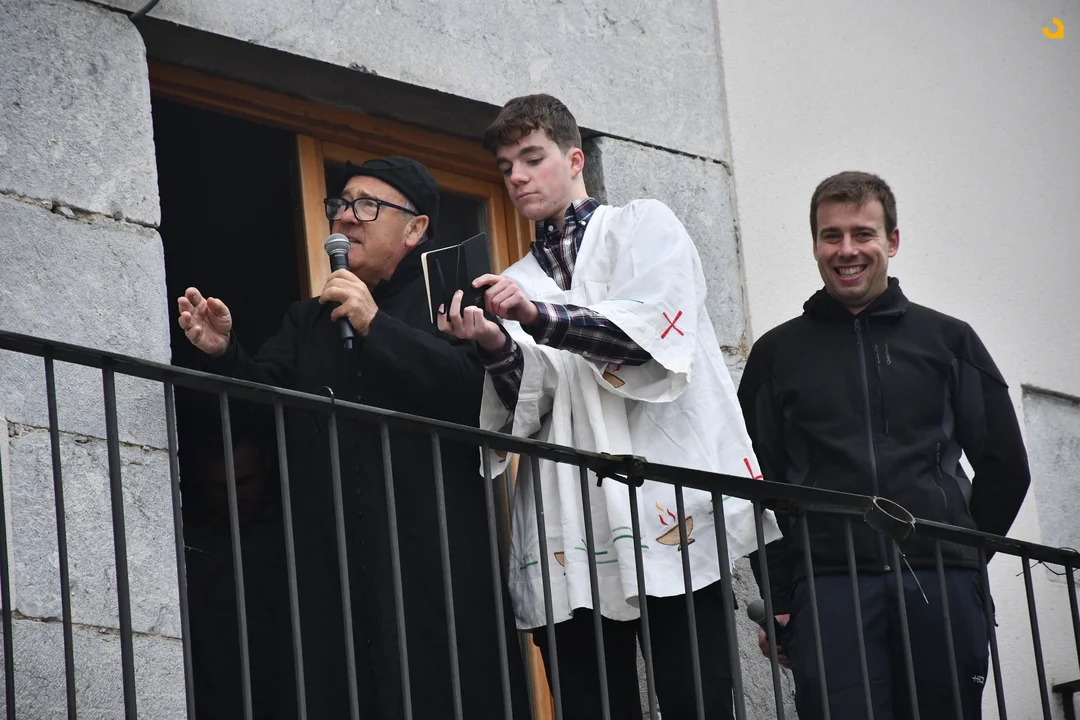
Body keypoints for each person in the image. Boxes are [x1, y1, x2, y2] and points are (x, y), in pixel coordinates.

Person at [439, 94, 778, 720]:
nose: (516, 177)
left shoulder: (642, 227)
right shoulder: (515, 280)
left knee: (698, 700)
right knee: (590, 703)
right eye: (506, 167)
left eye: (532, 158)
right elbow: (529, 403)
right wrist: (492, 344)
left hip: (665, 503)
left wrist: (536, 316)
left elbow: (651, 335)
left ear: (575, 160)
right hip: (572, 521)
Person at [176, 156, 529, 719]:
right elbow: (259, 413)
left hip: (430, 558)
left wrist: (375, 326)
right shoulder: (307, 321)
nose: (345, 217)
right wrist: (224, 354)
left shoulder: (453, 299)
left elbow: (476, 398)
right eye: (340, 204)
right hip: (329, 564)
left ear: (415, 228)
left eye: (367, 206)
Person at [738, 171, 1031, 719]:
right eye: (831, 235)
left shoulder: (949, 341)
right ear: (815, 245)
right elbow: (756, 484)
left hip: (942, 583)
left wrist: (961, 553)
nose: (847, 250)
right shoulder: (776, 355)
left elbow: (1006, 466)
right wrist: (780, 596)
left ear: (891, 241)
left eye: (863, 234)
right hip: (829, 587)